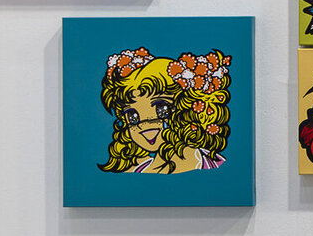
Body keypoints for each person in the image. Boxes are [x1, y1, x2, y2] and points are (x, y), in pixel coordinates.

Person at [99, 48, 231, 174]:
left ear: (187, 107)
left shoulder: (211, 165)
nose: (145, 125)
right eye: (132, 116)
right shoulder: (139, 168)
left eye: (161, 109)